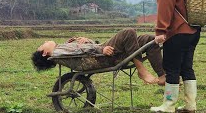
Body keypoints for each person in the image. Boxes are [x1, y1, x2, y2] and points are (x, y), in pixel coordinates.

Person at [150, 0, 201, 113]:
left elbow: (166, 8)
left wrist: (161, 31)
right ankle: (190, 105)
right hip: (192, 31)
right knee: (187, 67)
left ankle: (168, 105)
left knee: (171, 68)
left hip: (178, 32)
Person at [31, 28, 166, 85]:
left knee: (149, 40)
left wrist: (87, 41)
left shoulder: (62, 48)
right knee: (128, 33)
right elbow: (81, 53)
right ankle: (142, 71)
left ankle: (162, 75)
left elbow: (82, 51)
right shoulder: (58, 52)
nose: (45, 42)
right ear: (44, 53)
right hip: (103, 56)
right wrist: (101, 49)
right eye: (42, 45)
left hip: (101, 53)